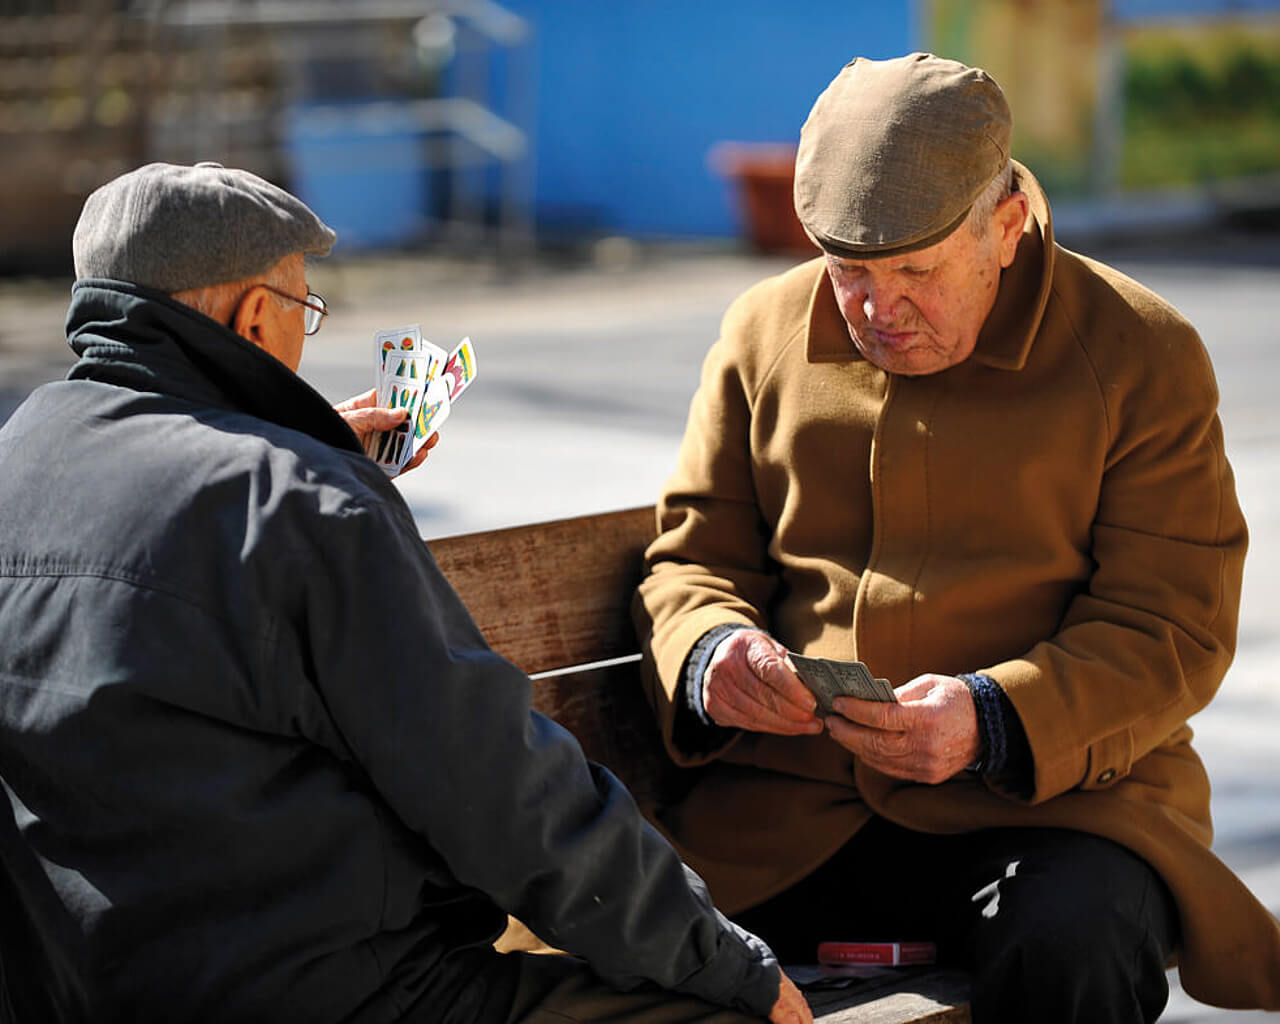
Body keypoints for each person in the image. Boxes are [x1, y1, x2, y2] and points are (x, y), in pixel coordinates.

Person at [0, 161, 812, 1024]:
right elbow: (503, 792)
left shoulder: (18, 459)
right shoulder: (301, 504)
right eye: (304, 311)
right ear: (254, 317)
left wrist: (289, 443)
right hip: (332, 995)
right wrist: (730, 967)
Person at [634, 52, 1280, 1022]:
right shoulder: (759, 331)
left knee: (1073, 938)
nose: (875, 308)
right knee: (610, 938)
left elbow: (1171, 628)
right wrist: (709, 655)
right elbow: (691, 558)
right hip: (786, 817)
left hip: (1055, 808)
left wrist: (989, 718)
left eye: (915, 271)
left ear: (1006, 224)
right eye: (846, 269)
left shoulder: (1139, 352)